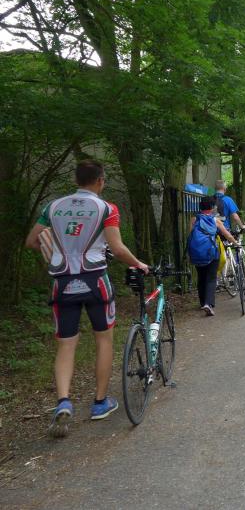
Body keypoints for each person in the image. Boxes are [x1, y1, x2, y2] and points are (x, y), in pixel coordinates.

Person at [25, 160, 149, 437]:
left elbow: (32, 241)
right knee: (103, 339)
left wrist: (55, 249)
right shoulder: (106, 209)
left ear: (76, 180)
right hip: (95, 281)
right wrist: (138, 264)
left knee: (66, 344)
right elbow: (117, 249)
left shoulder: (53, 207)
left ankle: (63, 401)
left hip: (62, 282)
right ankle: (100, 403)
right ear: (100, 181)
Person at [189, 196, 237, 316]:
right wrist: (236, 243)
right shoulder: (215, 220)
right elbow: (227, 235)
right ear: (212, 207)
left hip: (197, 253)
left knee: (201, 277)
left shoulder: (194, 219)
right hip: (211, 253)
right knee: (211, 278)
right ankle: (208, 304)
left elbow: (190, 234)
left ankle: (202, 303)